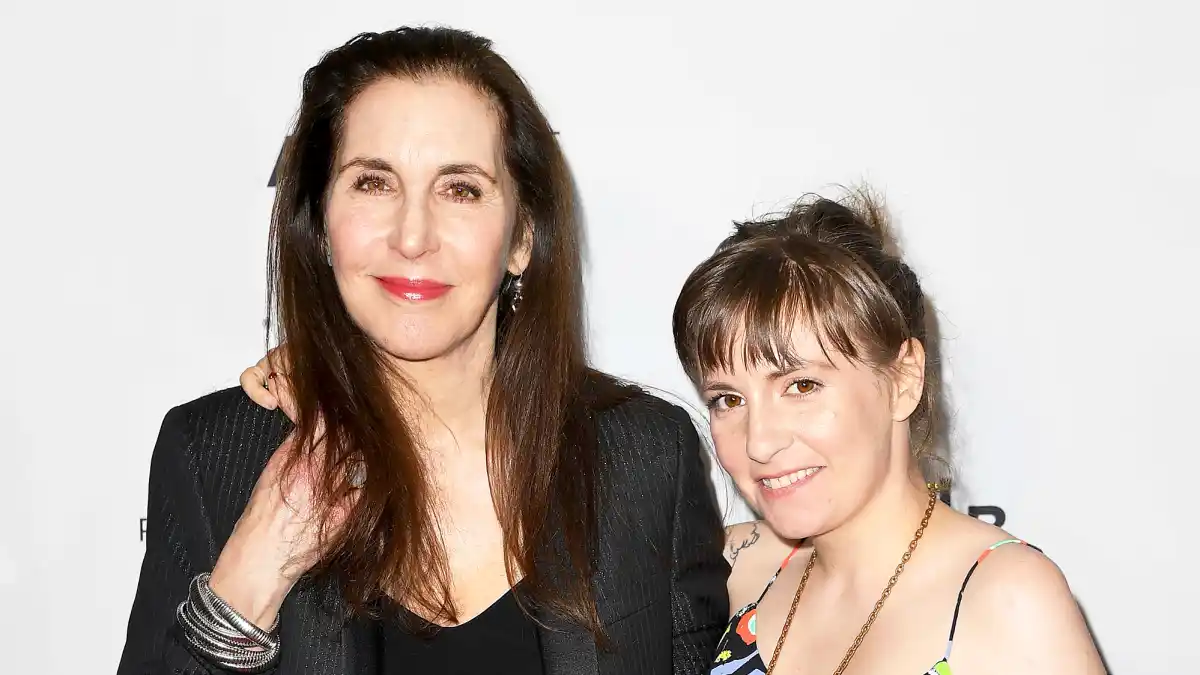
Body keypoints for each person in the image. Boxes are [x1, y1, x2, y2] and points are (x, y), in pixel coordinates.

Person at [117, 26, 728, 675]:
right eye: (373, 183)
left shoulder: (645, 456)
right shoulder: (216, 453)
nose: (413, 235)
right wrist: (250, 579)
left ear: (522, 236)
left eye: (459, 188)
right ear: (321, 221)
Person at [670, 190, 1106, 674]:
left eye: (802, 385)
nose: (759, 442)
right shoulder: (737, 567)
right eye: (728, 400)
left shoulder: (1006, 600)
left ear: (903, 379)